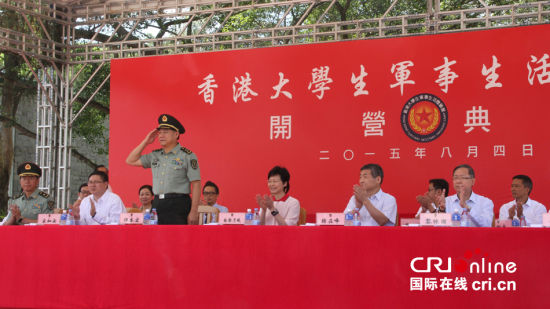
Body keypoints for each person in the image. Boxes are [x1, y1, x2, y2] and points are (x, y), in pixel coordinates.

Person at [126, 114, 201, 225]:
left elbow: (196, 184)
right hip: (157, 204)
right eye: (160, 132)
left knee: (178, 240)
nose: (161, 135)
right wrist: (146, 142)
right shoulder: (155, 155)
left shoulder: (187, 155)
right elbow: (130, 160)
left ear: (176, 134)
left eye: (165, 132)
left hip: (179, 204)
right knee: (156, 240)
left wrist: (194, 211)